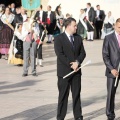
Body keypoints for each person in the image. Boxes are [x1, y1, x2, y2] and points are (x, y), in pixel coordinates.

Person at [54, 17, 86, 120]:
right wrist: (70, 64)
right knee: (63, 96)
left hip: (76, 72)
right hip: (64, 73)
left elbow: (83, 53)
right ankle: (60, 117)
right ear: (68, 26)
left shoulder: (78, 38)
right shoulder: (59, 38)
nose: (76, 27)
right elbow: (60, 54)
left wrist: (77, 62)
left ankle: (78, 116)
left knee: (76, 95)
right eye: (74, 25)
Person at [102, 18, 120, 120]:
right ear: (114, 26)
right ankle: (110, 115)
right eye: (119, 27)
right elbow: (105, 55)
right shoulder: (108, 38)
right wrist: (111, 68)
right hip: (112, 71)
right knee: (111, 93)